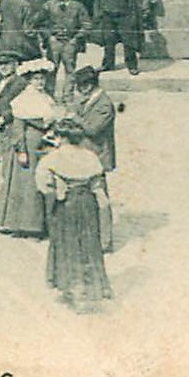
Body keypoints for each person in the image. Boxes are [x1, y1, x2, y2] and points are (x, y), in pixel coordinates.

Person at [36, 119, 113, 310]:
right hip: (88, 203)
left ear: (62, 137)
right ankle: (92, 287)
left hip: (66, 204)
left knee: (68, 244)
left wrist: (56, 189)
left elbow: (43, 185)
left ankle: (73, 289)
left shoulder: (53, 158)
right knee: (88, 244)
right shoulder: (90, 156)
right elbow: (98, 185)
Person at [0, 60, 57, 238]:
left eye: (42, 79)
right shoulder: (24, 99)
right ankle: (24, 225)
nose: (40, 82)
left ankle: (40, 225)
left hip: (43, 145)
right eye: (36, 79)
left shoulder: (45, 97)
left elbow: (50, 121)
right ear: (29, 80)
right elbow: (18, 129)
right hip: (28, 147)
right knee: (26, 186)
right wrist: (21, 150)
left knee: (41, 184)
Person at [67, 66, 116, 251]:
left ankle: (105, 241)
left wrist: (75, 118)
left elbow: (93, 129)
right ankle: (91, 237)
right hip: (86, 155)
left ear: (90, 85)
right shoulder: (90, 100)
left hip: (98, 156)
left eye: (82, 86)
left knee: (100, 198)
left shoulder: (104, 104)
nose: (79, 90)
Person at [34, 0, 90, 100]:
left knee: (70, 71)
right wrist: (49, 36)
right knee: (51, 69)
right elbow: (38, 22)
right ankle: (49, 95)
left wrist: (76, 38)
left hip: (70, 42)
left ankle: (67, 96)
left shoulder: (77, 7)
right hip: (54, 43)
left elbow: (87, 25)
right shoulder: (49, 5)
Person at [94, 0, 142, 75]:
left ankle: (132, 65)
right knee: (109, 40)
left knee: (128, 40)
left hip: (124, 13)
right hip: (108, 13)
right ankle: (108, 64)